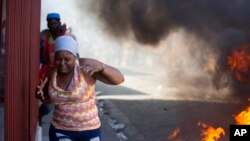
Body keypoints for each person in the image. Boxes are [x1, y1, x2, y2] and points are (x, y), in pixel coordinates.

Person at [36, 36, 125, 141]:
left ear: (75, 57)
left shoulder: (85, 67)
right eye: (58, 59)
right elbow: (49, 98)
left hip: (89, 131)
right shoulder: (52, 71)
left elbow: (120, 79)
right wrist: (41, 96)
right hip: (60, 130)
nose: (62, 63)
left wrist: (103, 68)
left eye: (67, 59)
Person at [38, 12, 76, 125]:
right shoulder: (44, 35)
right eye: (50, 23)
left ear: (59, 23)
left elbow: (73, 55)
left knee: (67, 99)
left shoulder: (67, 36)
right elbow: (43, 57)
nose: (53, 25)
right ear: (47, 24)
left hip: (63, 71)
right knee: (48, 101)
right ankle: (39, 115)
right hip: (49, 71)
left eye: (55, 23)